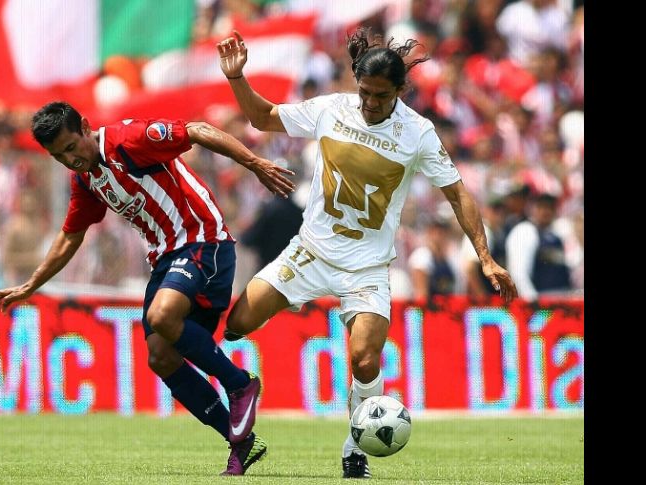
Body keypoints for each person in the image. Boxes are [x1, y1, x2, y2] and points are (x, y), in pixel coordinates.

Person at [216, 28, 518, 479]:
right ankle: (243, 394)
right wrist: (238, 79)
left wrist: (486, 256)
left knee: (364, 358)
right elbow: (261, 118)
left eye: (380, 95)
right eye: (364, 92)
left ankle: (354, 447)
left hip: (367, 267)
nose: (370, 103)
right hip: (309, 252)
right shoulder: (330, 109)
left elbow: (458, 194)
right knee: (236, 325)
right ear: (355, 81)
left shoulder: (417, 133)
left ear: (401, 91)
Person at [0, 101, 296, 476]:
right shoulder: (86, 178)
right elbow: (71, 236)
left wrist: (256, 165)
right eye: (58, 156)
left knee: (162, 316)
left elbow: (198, 129)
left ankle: (239, 385)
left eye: (71, 148)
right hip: (166, 260)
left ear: (85, 127)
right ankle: (241, 443)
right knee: (160, 357)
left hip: (204, 241)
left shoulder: (128, 140)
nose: (69, 160)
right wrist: (30, 285)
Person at [505, 192, 571, 303]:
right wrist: (533, 302)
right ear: (534, 209)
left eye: (550, 208)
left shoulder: (556, 235)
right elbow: (518, 273)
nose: (546, 211)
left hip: (561, 300)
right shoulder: (525, 231)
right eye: (542, 207)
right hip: (540, 302)